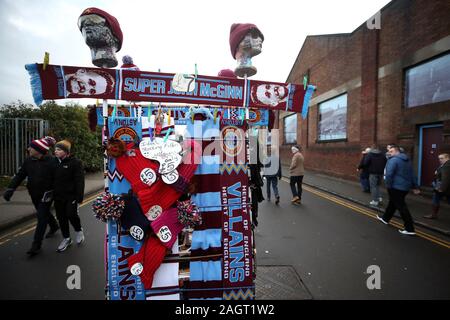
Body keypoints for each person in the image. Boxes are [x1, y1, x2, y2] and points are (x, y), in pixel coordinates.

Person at [2, 136, 59, 256]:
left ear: (38, 150)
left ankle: (36, 244)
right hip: (34, 192)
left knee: (41, 216)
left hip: (47, 194)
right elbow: (20, 175)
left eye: (31, 147)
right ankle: (54, 225)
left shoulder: (52, 161)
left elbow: (60, 178)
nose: (28, 149)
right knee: (42, 212)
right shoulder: (28, 161)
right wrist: (10, 189)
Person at [377, 145, 420, 235]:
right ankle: (385, 218)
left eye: (391, 151)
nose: (389, 153)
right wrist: (415, 186)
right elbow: (412, 174)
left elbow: (389, 175)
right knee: (393, 203)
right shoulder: (407, 160)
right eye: (389, 151)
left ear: (397, 151)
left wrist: (388, 186)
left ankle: (409, 228)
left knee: (401, 207)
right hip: (405, 188)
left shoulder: (393, 160)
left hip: (395, 187)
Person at [53, 140, 85, 252]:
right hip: (58, 196)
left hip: (71, 196)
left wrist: (79, 196)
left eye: (59, 149)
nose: (56, 151)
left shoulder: (75, 162)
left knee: (71, 214)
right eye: (55, 149)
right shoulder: (54, 162)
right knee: (61, 218)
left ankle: (78, 230)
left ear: (66, 152)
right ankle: (66, 238)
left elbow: (79, 180)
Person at [424, 153, 450, 219]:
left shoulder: (447, 165)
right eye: (439, 158)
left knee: (435, 200)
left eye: (442, 158)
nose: (440, 160)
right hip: (442, 187)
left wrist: (441, 188)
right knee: (435, 199)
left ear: (447, 158)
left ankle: (434, 215)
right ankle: (434, 214)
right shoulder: (444, 165)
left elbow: (446, 178)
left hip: (443, 187)